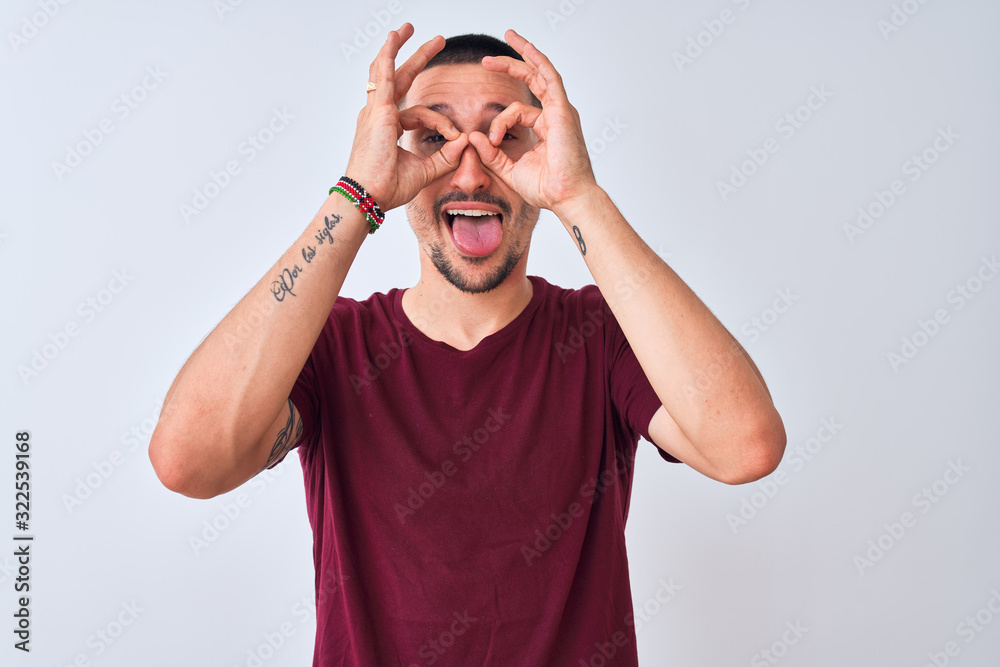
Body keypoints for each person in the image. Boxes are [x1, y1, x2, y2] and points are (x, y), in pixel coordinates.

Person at [149, 23, 786, 666]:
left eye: (507, 135)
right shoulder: (331, 344)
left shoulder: (602, 337)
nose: (472, 173)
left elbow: (745, 447)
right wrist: (356, 194)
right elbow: (187, 462)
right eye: (435, 138)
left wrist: (578, 197)